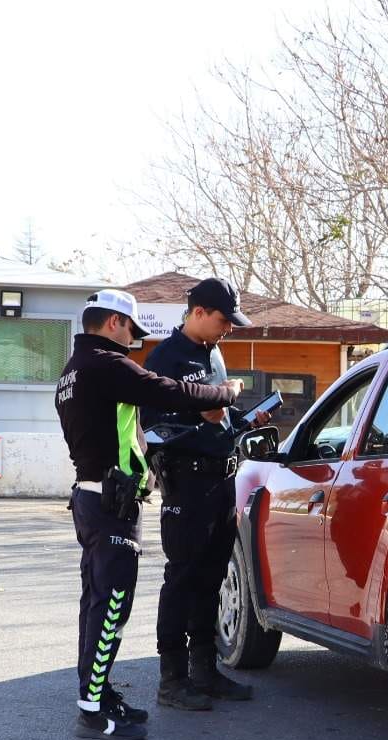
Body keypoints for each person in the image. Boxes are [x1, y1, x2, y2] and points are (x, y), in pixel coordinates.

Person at [55, 289, 241, 740]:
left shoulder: (73, 371)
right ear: (114, 323)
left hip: (94, 496)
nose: (131, 342)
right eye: (130, 331)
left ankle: (96, 694)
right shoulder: (105, 365)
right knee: (111, 607)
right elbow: (166, 389)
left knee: (97, 604)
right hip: (110, 503)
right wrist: (225, 392)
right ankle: (94, 710)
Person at [141, 277, 268, 711]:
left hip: (221, 481)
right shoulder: (165, 358)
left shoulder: (214, 352)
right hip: (186, 483)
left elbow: (219, 418)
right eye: (222, 319)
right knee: (183, 578)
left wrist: (236, 424)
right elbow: (156, 430)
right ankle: (172, 679)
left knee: (213, 576)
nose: (227, 328)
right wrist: (204, 420)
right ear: (197, 312)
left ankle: (205, 670)